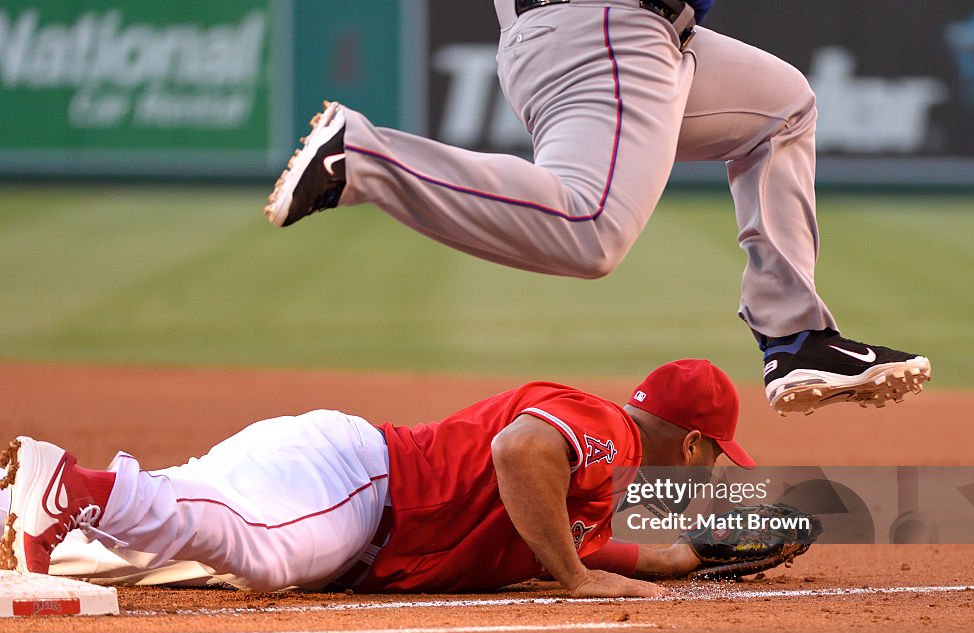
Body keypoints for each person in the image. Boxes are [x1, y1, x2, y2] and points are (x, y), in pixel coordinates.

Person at [264, 0, 931, 416]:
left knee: (783, 107)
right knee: (592, 231)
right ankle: (365, 157)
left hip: (649, 34)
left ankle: (796, 339)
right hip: (605, 26)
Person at [0, 360, 794, 598]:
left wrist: (698, 551)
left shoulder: (584, 502)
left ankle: (25, 510)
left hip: (331, 484)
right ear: (692, 445)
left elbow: (617, 551)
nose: (716, 472)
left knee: (137, 557)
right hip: (356, 483)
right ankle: (68, 483)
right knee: (260, 554)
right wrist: (576, 578)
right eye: (719, 458)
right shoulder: (610, 434)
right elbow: (520, 451)